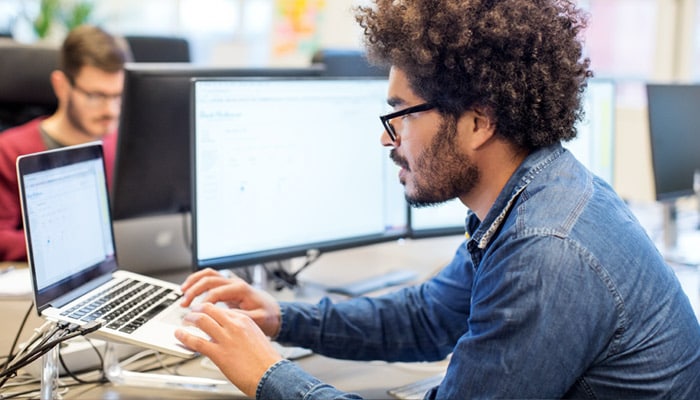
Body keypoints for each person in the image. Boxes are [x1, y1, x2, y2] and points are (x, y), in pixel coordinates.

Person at [175, 0, 700, 398]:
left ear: (477, 121)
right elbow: (430, 317)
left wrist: (268, 374)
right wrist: (284, 320)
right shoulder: (535, 193)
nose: (387, 137)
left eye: (401, 112)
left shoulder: (547, 251)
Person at [0, 25, 129, 261]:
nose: (110, 111)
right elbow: (2, 238)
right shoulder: (9, 152)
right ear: (61, 85)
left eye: (119, 96)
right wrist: (81, 242)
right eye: (95, 96)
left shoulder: (122, 146)